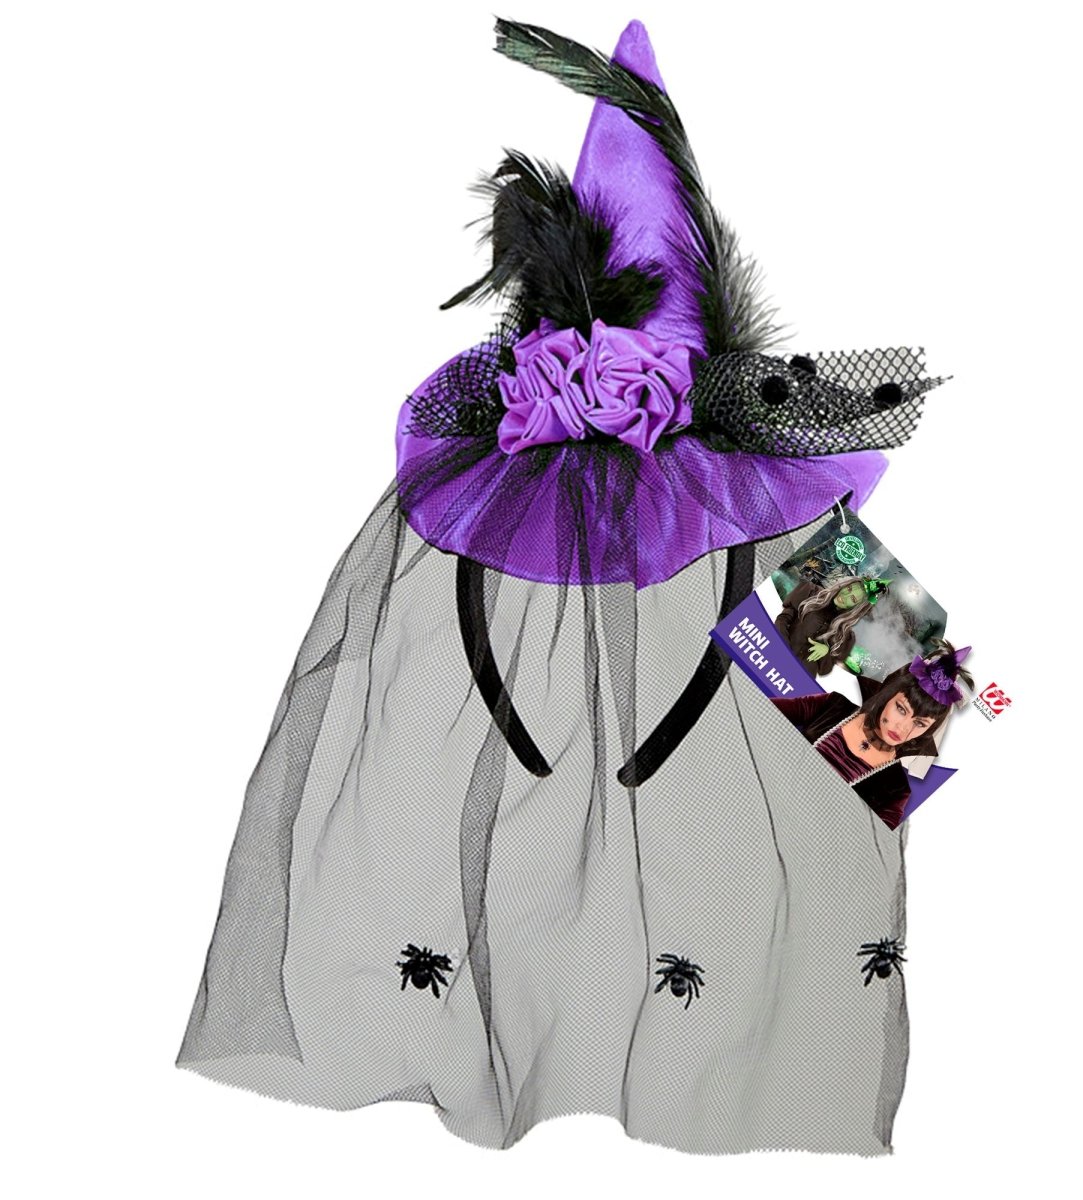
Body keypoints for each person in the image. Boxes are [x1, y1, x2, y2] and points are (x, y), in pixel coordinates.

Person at [175, 18, 950, 1160]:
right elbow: (923, 735)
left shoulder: (792, 544)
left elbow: (920, 730)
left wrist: (918, 699)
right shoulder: (765, 535)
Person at [772, 641, 973, 829]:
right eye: (901, 709)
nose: (903, 728)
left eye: (920, 723)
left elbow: (871, 847)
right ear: (888, 695)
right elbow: (760, 710)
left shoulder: (896, 789)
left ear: (928, 731)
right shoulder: (832, 706)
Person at [773, 574, 890, 675]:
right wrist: (784, 650)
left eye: (853, 599)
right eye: (849, 589)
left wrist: (826, 651)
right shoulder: (810, 592)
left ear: (856, 607)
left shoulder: (845, 635)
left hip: (798, 677)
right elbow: (782, 619)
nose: (845, 596)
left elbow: (824, 670)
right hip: (773, 655)